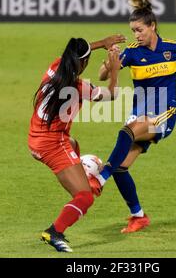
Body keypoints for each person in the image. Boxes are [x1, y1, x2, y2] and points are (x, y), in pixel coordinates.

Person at [88, 0, 176, 233]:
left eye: (139, 30)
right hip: (141, 112)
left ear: (152, 26)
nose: (136, 35)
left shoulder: (173, 48)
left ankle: (100, 178)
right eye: (133, 31)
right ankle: (138, 216)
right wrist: (110, 58)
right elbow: (102, 75)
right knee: (122, 167)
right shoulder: (132, 53)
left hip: (165, 114)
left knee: (126, 133)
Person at [28, 35, 124, 252]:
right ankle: (55, 232)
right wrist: (115, 70)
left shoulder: (54, 67)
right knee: (85, 197)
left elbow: (77, 51)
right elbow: (112, 94)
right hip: (52, 144)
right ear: (84, 63)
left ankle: (83, 176)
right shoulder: (79, 87)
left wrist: (101, 43)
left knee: (74, 143)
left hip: (35, 137)